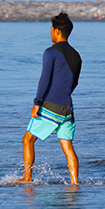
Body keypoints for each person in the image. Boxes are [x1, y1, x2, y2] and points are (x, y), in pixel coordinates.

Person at [18, 12, 82, 184]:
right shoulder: (76, 55)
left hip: (50, 106)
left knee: (28, 139)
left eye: (51, 30)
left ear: (56, 31)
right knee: (67, 146)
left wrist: (37, 103)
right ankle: (74, 183)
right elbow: (74, 83)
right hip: (68, 108)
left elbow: (45, 79)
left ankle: (27, 177)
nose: (51, 33)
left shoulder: (50, 52)